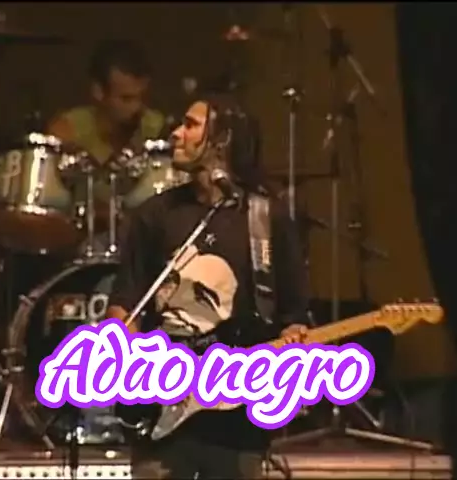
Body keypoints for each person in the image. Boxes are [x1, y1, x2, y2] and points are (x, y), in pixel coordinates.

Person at [106, 98, 310, 479]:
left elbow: (293, 314)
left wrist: (293, 339)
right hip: (161, 418)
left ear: (222, 139)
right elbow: (125, 304)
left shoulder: (268, 219)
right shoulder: (154, 215)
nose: (175, 134)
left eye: (190, 125)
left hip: (237, 426)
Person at [46, 38, 166, 218]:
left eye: (142, 98)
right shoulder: (68, 130)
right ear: (99, 92)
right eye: (126, 99)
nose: (137, 108)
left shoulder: (156, 128)